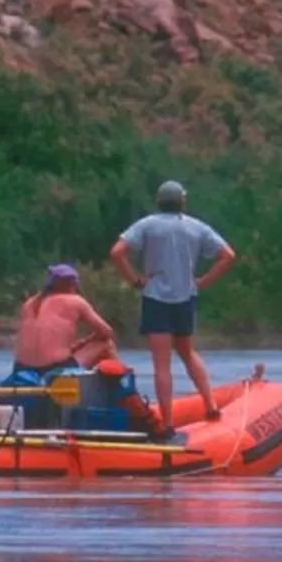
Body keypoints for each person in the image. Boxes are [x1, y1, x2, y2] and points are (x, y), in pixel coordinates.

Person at [110, 180, 237, 437]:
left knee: (162, 363)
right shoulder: (196, 227)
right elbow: (228, 255)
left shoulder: (147, 225)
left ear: (159, 201)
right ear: (183, 201)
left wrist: (135, 280)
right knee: (187, 353)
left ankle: (167, 422)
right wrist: (202, 281)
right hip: (185, 297)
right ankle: (210, 404)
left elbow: (117, 252)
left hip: (156, 298)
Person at [12, 263, 118, 376]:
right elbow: (107, 332)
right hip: (54, 369)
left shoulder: (30, 302)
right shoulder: (75, 301)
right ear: (73, 284)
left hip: (21, 368)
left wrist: (79, 344)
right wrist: (87, 341)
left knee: (70, 350)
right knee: (106, 344)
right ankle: (118, 385)